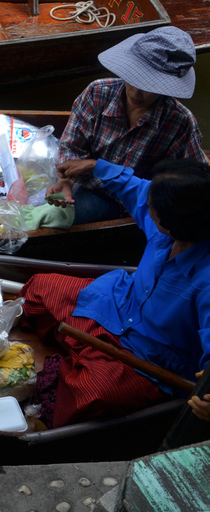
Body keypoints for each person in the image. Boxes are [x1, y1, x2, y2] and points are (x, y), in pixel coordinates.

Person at [22, 158, 210, 428]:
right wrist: (96, 167)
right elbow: (134, 187)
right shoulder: (173, 222)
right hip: (116, 305)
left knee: (92, 392)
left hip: (147, 359)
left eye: (152, 203)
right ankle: (81, 355)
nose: (146, 201)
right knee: (40, 287)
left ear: (168, 222)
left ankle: (82, 361)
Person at [45, 26, 207, 225]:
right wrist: (67, 180)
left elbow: (192, 183)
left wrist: (100, 169)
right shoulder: (97, 93)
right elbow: (72, 146)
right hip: (85, 181)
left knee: (56, 218)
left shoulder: (180, 122)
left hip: (127, 200)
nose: (137, 93)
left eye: (150, 86)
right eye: (134, 78)